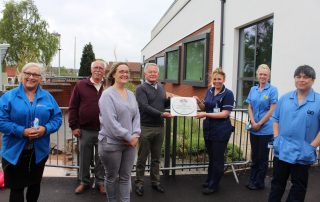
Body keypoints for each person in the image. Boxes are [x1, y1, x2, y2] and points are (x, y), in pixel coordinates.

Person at [0, 63, 62, 202]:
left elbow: (57, 118)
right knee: (17, 189)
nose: (31, 77)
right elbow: (1, 121)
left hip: (38, 152)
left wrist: (45, 129)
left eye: (36, 75)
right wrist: (22, 131)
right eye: (28, 73)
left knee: (34, 185)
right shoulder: (8, 97)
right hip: (14, 152)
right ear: (21, 75)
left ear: (41, 79)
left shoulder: (48, 97)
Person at [268, 65, 320, 202]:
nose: (301, 80)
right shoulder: (285, 98)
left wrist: (311, 147)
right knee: (277, 184)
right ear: (295, 79)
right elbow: (275, 119)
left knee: (298, 187)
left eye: (305, 77)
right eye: (298, 76)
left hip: (303, 153)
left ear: (312, 80)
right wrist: (277, 138)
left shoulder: (318, 101)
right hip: (282, 151)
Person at [98, 62, 140, 202]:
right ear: (114, 74)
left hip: (130, 144)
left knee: (125, 177)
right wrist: (128, 136)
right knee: (111, 177)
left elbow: (136, 116)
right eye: (121, 71)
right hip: (111, 144)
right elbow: (110, 122)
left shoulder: (131, 94)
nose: (125, 74)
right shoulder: (107, 95)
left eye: (127, 72)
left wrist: (135, 134)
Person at [68, 59, 106, 194]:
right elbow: (73, 106)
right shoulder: (80, 85)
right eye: (96, 67)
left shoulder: (107, 86)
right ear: (91, 69)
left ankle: (100, 182)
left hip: (104, 130)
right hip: (85, 130)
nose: (98, 70)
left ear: (104, 71)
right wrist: (74, 126)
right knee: (84, 158)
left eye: (101, 68)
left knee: (101, 158)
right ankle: (84, 182)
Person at [194, 68, 234, 195]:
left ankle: (213, 185)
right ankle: (210, 179)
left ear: (224, 80)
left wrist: (205, 114)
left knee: (218, 158)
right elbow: (205, 107)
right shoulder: (209, 91)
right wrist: (198, 102)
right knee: (211, 157)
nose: (217, 81)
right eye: (215, 79)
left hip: (221, 130)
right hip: (209, 129)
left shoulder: (228, 93)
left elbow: (224, 114)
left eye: (219, 79)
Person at [134, 63, 172, 196]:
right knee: (142, 159)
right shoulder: (140, 89)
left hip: (159, 127)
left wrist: (173, 102)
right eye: (150, 72)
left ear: (158, 74)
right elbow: (144, 106)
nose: (153, 74)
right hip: (145, 127)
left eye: (155, 72)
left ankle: (155, 182)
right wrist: (161, 114)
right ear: (145, 74)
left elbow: (163, 103)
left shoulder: (161, 87)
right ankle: (139, 183)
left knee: (156, 158)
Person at [245, 64, 278, 190]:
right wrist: (253, 122)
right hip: (254, 128)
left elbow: (272, 109)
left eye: (265, 74)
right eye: (261, 74)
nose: (262, 76)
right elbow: (250, 106)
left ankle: (259, 182)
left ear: (268, 76)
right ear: (257, 75)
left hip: (265, 130)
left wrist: (259, 123)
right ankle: (252, 179)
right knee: (254, 156)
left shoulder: (272, 90)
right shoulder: (253, 89)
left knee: (262, 157)